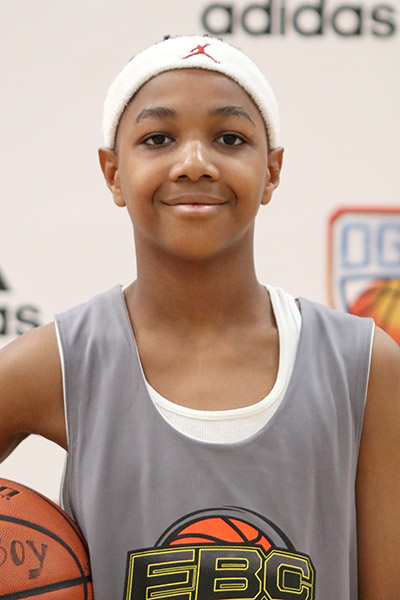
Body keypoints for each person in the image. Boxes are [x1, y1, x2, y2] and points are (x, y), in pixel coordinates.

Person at [0, 34, 399, 600]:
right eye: (158, 139)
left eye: (229, 138)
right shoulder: (63, 361)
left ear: (272, 170)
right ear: (113, 172)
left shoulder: (363, 366)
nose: (193, 164)